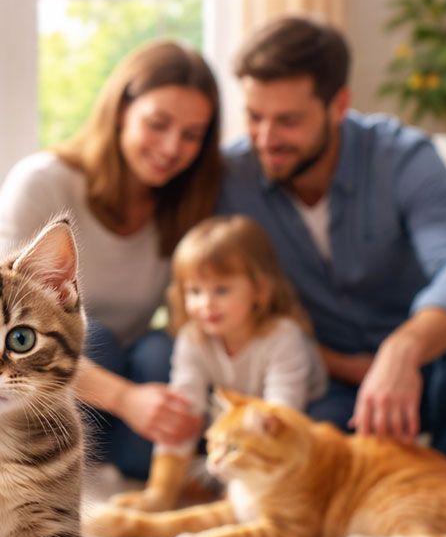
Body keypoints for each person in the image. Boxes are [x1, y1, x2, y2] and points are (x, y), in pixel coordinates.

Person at [218, 16, 446, 480]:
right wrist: (343, 365)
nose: (266, 139)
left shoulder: (403, 157)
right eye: (254, 117)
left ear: (338, 105)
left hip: (431, 373)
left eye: (288, 120)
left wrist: (401, 351)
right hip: (326, 381)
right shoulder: (231, 177)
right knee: (308, 474)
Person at [0, 41, 221, 480]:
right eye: (158, 124)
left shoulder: (188, 203)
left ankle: (122, 458)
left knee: (163, 351)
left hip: (129, 366)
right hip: (41, 372)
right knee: (96, 337)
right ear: (120, 111)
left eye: (191, 136)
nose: (172, 148)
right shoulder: (42, 183)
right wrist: (126, 399)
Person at [122, 214, 327, 512]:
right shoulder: (193, 338)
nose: (206, 304)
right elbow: (185, 409)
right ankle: (191, 486)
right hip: (237, 417)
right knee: (191, 420)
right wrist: (161, 490)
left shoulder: (284, 337)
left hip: (301, 410)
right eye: (195, 291)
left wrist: (242, 488)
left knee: (321, 443)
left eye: (221, 290)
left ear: (259, 290)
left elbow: (280, 415)